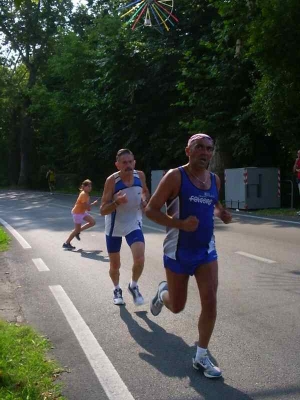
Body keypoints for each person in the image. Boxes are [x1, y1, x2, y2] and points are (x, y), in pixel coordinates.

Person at [145, 133, 232, 379]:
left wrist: (221, 213)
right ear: (188, 151)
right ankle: (163, 294)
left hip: (206, 250)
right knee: (177, 306)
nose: (205, 153)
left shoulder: (214, 179)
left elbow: (212, 203)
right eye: (199, 148)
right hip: (178, 251)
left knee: (210, 299)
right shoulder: (175, 176)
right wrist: (180, 224)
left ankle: (201, 356)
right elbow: (151, 209)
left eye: (209, 148)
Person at [100, 149, 150, 306]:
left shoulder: (140, 175)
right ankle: (116, 288)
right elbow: (102, 210)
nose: (128, 166)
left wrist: (144, 200)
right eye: (124, 163)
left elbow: (145, 192)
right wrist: (116, 203)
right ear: (117, 165)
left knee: (140, 258)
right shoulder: (112, 181)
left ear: (134, 162)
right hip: (115, 225)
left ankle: (133, 286)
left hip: (133, 222)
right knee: (115, 265)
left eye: (131, 162)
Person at [63, 179, 98, 250]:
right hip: (77, 213)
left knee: (92, 222)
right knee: (76, 230)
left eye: (90, 186)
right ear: (84, 187)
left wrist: (89, 207)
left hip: (82, 212)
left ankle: (77, 231)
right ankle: (66, 243)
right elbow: (86, 206)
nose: (90, 188)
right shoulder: (83, 194)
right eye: (88, 186)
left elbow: (86, 207)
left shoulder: (86, 194)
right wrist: (93, 204)